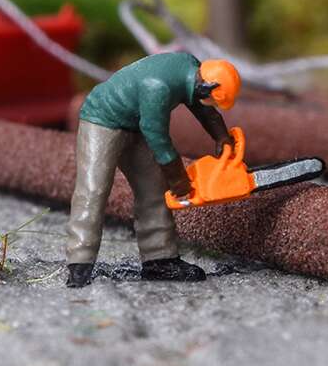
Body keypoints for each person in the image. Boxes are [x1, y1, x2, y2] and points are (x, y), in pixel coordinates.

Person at [66, 53, 240, 287]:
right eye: (213, 99)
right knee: (93, 189)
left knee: (154, 189)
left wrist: (221, 136)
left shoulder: (195, 70)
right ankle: (80, 264)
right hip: (102, 120)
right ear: (206, 86)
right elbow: (157, 135)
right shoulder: (158, 87)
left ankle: (160, 259)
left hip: (137, 123)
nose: (212, 104)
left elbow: (202, 107)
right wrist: (178, 177)